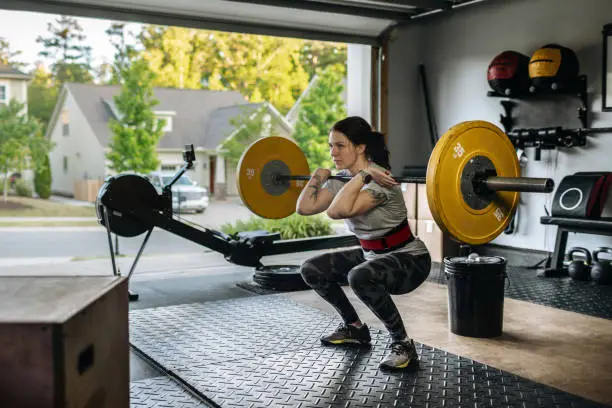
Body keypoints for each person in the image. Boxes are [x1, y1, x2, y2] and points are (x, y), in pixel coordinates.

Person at [296, 116, 431, 371]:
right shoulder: (343, 180)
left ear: (360, 147)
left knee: (359, 276)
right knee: (311, 269)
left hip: (409, 260)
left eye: (340, 145)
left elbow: (338, 211)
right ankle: (354, 328)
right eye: (330, 146)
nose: (333, 152)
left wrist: (365, 175)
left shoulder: (381, 182)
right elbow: (304, 208)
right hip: (373, 255)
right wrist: (316, 177)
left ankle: (402, 343)